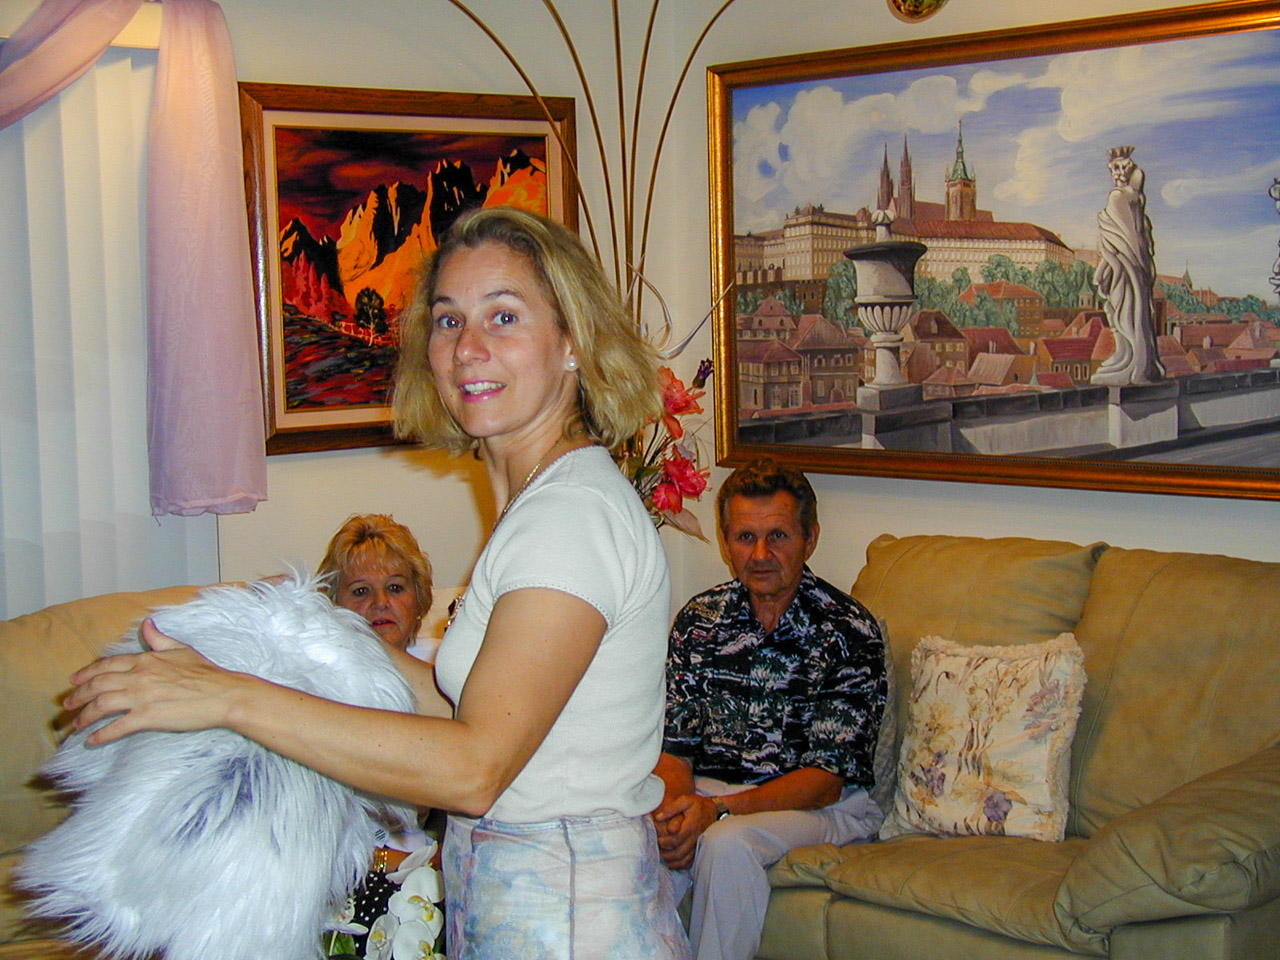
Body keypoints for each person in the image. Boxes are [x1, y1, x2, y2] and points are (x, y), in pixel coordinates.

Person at [64, 207, 689, 959]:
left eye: (504, 316)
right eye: (449, 320)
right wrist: (299, 632)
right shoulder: (548, 503)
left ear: (573, 342)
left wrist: (229, 698)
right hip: (537, 904)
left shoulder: (569, 518)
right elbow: (462, 703)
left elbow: (474, 768)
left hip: (568, 918)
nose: (468, 348)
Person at [652, 458, 887, 960]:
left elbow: (825, 780)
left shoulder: (847, 631)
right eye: (745, 538)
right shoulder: (700, 620)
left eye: (777, 536)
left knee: (726, 844)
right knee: (627, 836)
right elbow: (675, 749)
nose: (760, 555)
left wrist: (716, 812)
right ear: (725, 541)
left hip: (823, 807)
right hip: (713, 793)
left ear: (810, 538)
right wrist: (676, 813)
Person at [1091, 145, 1163, 385]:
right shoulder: (1136, 198)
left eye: (1122, 168)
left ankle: (1129, 359)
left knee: (1122, 311)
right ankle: (1134, 358)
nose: (1118, 173)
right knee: (1131, 312)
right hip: (1134, 269)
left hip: (1123, 268)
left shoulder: (1118, 196)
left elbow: (1120, 240)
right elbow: (1136, 238)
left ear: (1130, 170)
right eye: (1115, 169)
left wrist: (1104, 268)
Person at [318, 512, 434, 652]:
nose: (380, 603)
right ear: (333, 604)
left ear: (419, 599)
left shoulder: (447, 660)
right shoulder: (310, 664)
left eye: (394, 588)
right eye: (361, 591)